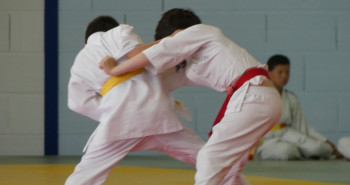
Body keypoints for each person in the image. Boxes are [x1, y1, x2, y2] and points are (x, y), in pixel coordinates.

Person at [99, 8, 282, 185]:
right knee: (230, 168)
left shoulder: (200, 32)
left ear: (176, 34)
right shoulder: (190, 65)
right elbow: (153, 84)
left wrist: (114, 69)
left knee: (209, 158)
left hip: (253, 95)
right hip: (260, 99)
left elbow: (149, 53)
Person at [65, 15, 206, 185]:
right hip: (156, 112)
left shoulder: (79, 62)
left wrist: (110, 111)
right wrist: (171, 39)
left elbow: (77, 103)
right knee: (207, 157)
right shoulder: (118, 32)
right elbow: (139, 54)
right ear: (111, 28)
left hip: (118, 120)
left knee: (86, 174)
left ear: (86, 42)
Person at [253, 54, 343, 160]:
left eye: (287, 72)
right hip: (266, 140)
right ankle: (304, 153)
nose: (284, 76)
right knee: (286, 151)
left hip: (288, 134)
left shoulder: (291, 98)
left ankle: (309, 152)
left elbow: (302, 127)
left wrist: (324, 140)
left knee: (318, 148)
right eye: (280, 72)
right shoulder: (257, 96)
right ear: (268, 73)